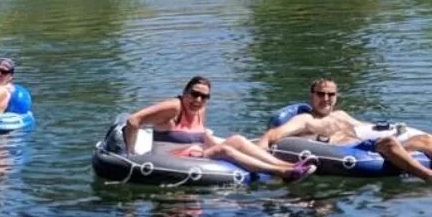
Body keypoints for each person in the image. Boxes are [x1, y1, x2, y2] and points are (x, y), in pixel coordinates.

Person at [259, 78, 432, 185]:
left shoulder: (342, 115)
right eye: (320, 94)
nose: (326, 98)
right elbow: (274, 135)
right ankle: (430, 177)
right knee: (388, 144)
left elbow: (366, 129)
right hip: (345, 153)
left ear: (336, 96)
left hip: (365, 147)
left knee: (425, 139)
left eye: (330, 94)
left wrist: (400, 131)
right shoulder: (306, 119)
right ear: (311, 96)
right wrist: (261, 155)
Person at [122, 77, 316, 182]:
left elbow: (202, 137)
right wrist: (131, 155)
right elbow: (133, 121)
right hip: (169, 161)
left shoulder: (200, 110)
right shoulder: (174, 107)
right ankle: (281, 173)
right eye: (194, 94)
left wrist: (228, 146)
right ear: (184, 93)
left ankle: (288, 166)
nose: (198, 100)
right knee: (224, 150)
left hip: (195, 156)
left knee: (237, 140)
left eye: (203, 97)